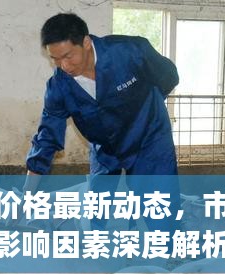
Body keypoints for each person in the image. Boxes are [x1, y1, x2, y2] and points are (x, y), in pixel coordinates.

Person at [24, 12, 181, 237]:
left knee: (159, 206)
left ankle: (163, 248)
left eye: (68, 56)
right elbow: (47, 139)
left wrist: (147, 108)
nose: (64, 66)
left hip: (148, 139)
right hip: (104, 146)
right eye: (55, 59)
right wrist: (26, 195)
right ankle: (103, 248)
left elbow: (169, 76)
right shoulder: (58, 87)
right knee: (97, 209)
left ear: (86, 43)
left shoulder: (130, 52)